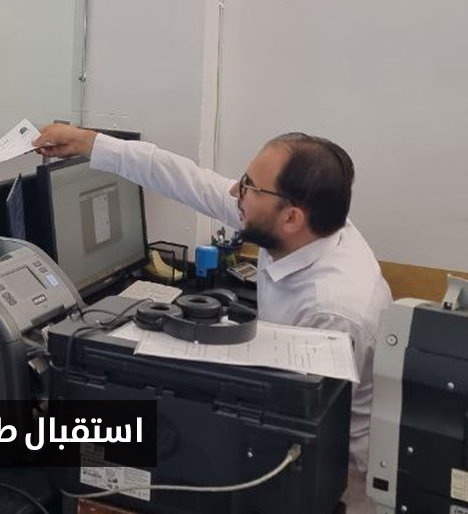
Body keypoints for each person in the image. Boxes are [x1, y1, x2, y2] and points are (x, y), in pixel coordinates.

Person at [32, 123, 392, 472]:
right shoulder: (310, 225)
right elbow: (186, 179)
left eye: (249, 186)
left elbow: (292, 422)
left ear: (292, 218)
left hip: (331, 471)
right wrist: (86, 141)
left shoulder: (331, 310)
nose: (235, 190)